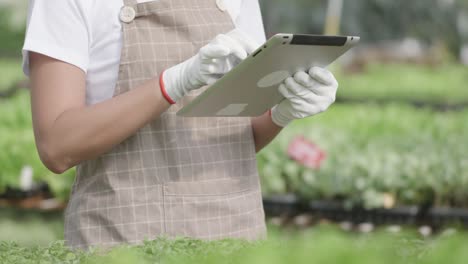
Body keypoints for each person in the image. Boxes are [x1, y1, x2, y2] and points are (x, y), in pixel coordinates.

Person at [22, 0, 339, 250]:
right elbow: (57, 145)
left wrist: (281, 113)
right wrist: (173, 83)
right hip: (125, 239)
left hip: (236, 236)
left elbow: (233, 137)